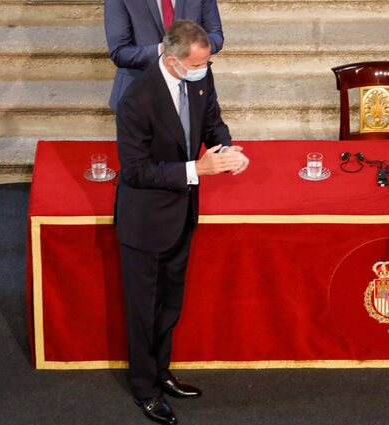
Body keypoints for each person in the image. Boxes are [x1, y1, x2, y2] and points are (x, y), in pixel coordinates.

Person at [115, 20, 248, 425]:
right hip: (145, 222)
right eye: (198, 63)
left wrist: (226, 150)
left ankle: (162, 373)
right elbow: (136, 170)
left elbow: (212, 122)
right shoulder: (136, 99)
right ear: (172, 61)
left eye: (206, 62)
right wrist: (197, 168)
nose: (205, 68)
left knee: (169, 303)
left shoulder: (200, 79)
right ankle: (144, 388)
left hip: (182, 214)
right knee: (143, 309)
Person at [105, 0, 224, 110]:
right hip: (139, 97)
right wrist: (163, 50)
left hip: (194, 94)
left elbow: (216, 35)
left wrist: (191, 49)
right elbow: (119, 51)